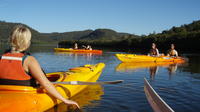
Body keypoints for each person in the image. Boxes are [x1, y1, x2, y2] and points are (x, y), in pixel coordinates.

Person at [0, 25, 79, 108]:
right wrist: (65, 100)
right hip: (26, 99)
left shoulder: (1, 58)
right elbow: (46, 84)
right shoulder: (29, 60)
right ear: (27, 42)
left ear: (11, 39)